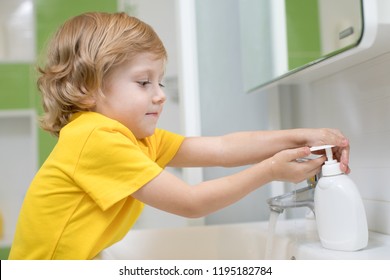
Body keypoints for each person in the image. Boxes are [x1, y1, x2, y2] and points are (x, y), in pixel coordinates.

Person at [8, 12, 350, 260]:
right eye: (144, 82)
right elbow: (191, 202)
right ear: (87, 90)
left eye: (160, 81)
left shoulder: (135, 137)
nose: (159, 94)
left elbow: (221, 148)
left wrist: (300, 136)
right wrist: (271, 171)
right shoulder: (95, 138)